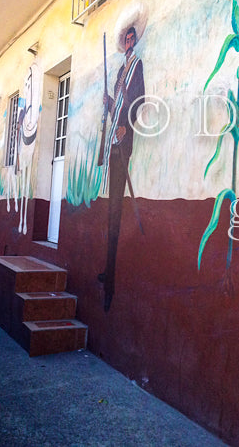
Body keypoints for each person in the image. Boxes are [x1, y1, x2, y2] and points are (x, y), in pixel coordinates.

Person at [98, 24, 145, 311]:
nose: (128, 42)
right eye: (125, 38)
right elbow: (119, 104)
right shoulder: (119, 71)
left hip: (123, 138)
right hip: (114, 138)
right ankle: (108, 269)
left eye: (132, 38)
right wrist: (110, 102)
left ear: (135, 41)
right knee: (112, 206)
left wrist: (126, 126)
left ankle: (111, 275)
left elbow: (138, 100)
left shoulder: (136, 66)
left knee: (117, 205)